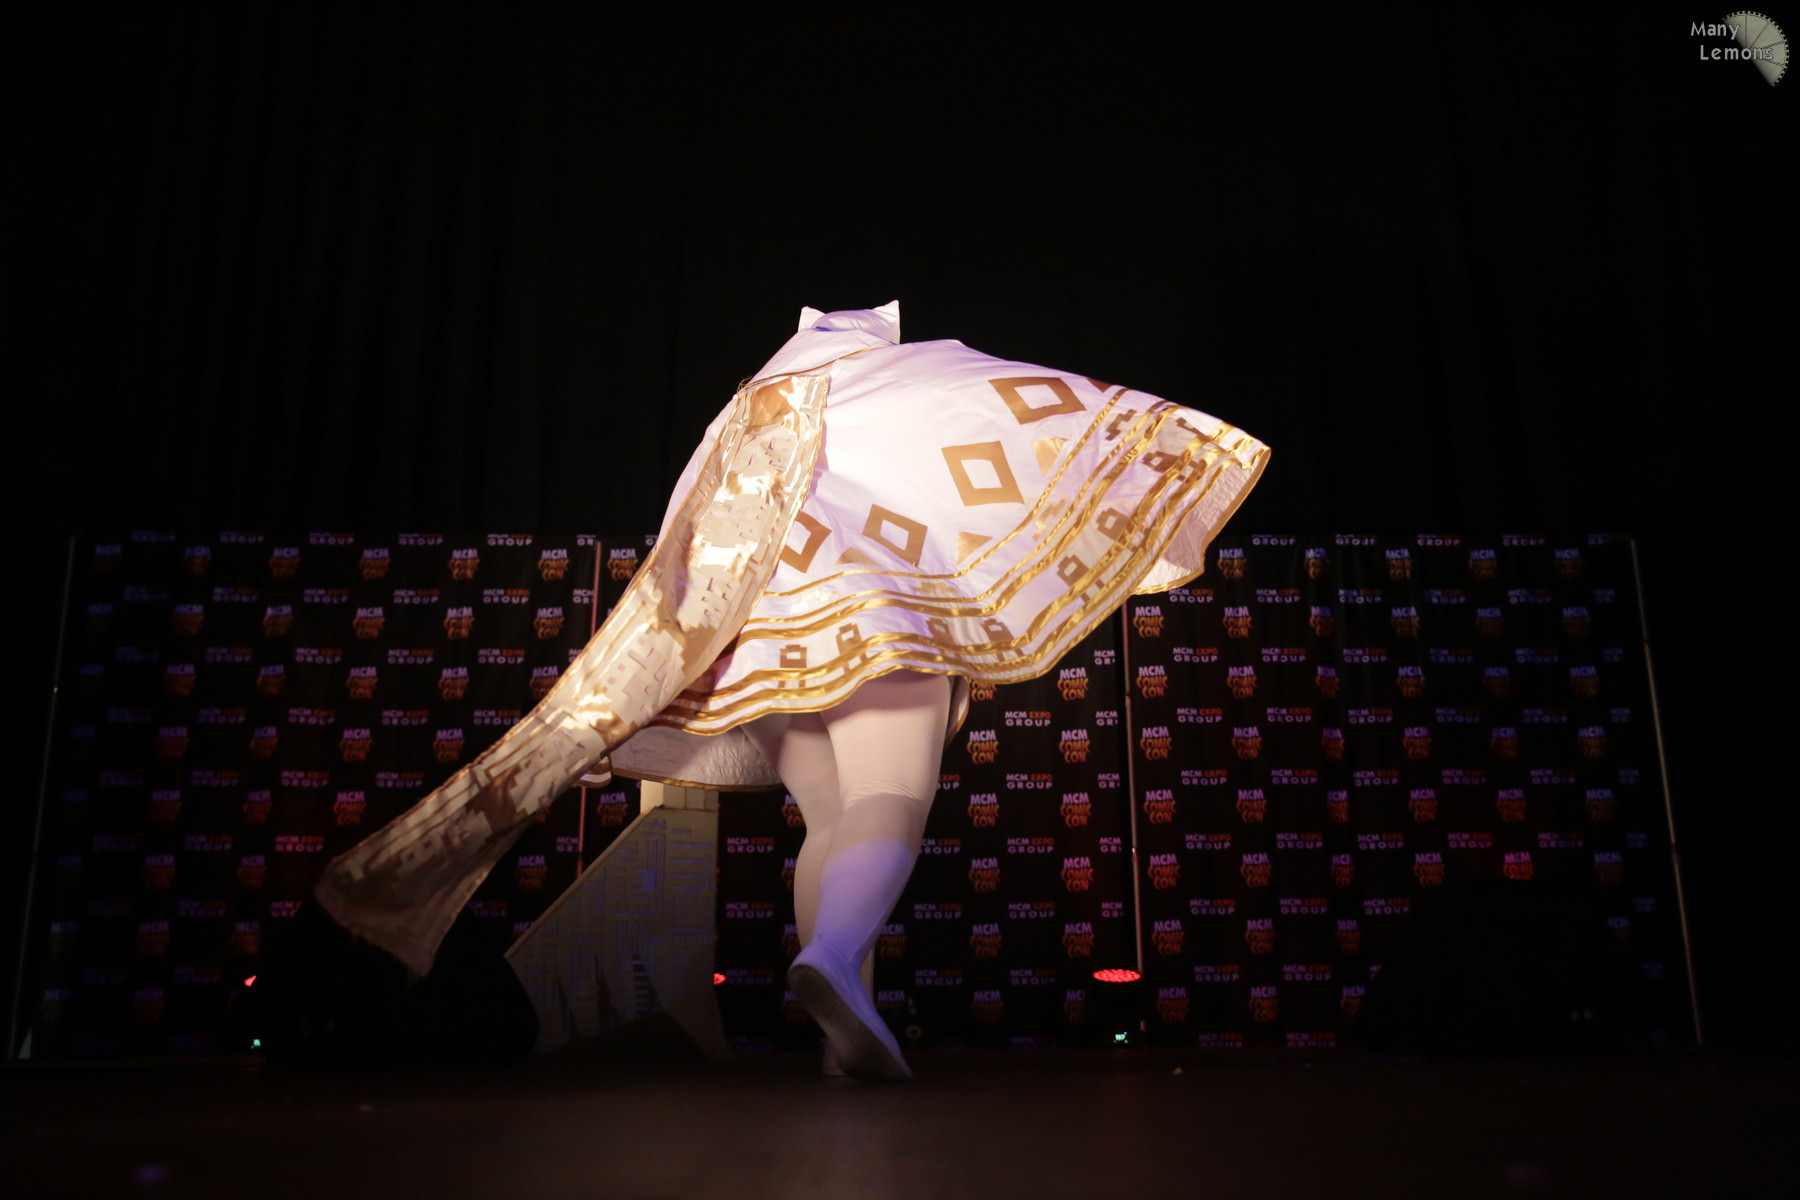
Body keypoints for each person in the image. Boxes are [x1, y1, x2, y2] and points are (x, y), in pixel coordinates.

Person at [313, 302, 1269, 1080]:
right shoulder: (893, 381)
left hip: (758, 642)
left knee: (829, 819)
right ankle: (835, 958)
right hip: (876, 614)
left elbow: (686, 558)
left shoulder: (738, 423)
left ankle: (838, 1030)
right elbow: (993, 412)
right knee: (888, 798)